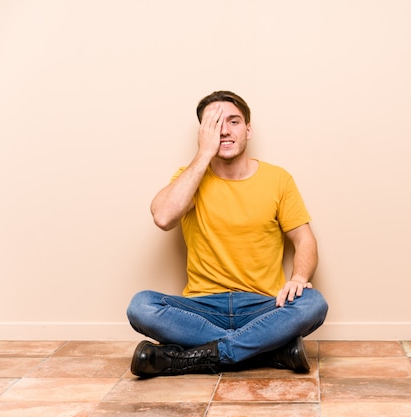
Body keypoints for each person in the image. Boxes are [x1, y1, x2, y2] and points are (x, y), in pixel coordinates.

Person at [126, 90, 328, 377]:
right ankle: (267, 351)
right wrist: (204, 153)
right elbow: (163, 217)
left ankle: (199, 356)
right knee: (141, 306)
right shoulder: (190, 178)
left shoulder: (278, 179)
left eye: (233, 122)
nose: (224, 130)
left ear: (248, 130)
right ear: (202, 132)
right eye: (214, 123)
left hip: (263, 305)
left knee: (314, 303)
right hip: (201, 307)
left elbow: (304, 238)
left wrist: (298, 277)